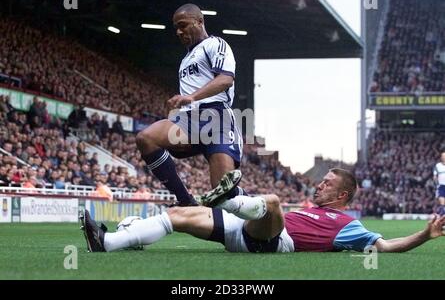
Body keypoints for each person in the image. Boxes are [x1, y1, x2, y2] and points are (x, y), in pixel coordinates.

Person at [80, 168, 445, 253]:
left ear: (343, 194)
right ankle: (108, 241)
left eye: (327, 183)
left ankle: (229, 199)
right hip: (247, 227)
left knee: (271, 203)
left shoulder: (348, 224)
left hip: (273, 241)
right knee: (177, 215)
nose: (320, 185)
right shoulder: (310, 207)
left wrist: (424, 235)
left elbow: (384, 248)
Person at [135, 3, 243, 207]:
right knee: (146, 138)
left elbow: (226, 80)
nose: (178, 31)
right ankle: (186, 201)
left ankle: (264, 210)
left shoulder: (215, 44)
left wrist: (193, 96)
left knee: (225, 198)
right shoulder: (185, 60)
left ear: (199, 21)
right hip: (188, 120)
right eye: (176, 27)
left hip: (216, 120)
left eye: (183, 25)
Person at [433, 152, 445, 216]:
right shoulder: (438, 165)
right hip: (441, 186)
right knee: (442, 203)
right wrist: (436, 183)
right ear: (441, 157)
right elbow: (435, 176)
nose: (444, 157)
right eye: (443, 156)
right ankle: (441, 216)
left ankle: (440, 215)